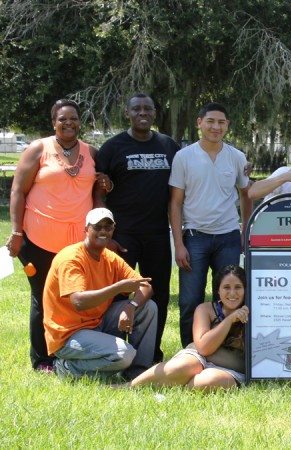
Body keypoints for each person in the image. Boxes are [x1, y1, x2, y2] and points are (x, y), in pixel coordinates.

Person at [6, 99, 110, 372]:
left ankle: (71, 352)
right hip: (38, 240)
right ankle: (42, 359)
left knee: (74, 300)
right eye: (62, 119)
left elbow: (101, 187)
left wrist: (106, 182)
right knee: (42, 298)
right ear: (53, 122)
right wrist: (16, 232)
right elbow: (18, 191)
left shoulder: (91, 152)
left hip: (77, 244)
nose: (69, 123)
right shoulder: (38, 149)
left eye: (74, 118)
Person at [96, 93, 180, 363]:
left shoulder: (169, 145)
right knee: (119, 293)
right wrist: (104, 235)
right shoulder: (113, 147)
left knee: (159, 294)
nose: (142, 112)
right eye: (137, 109)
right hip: (123, 236)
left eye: (147, 108)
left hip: (157, 233)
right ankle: (117, 352)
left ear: (154, 113)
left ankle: (151, 353)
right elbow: (97, 189)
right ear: (128, 113)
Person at [169, 102, 253, 347]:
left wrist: (244, 230)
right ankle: (190, 351)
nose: (216, 127)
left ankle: (227, 350)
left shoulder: (237, 157)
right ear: (199, 123)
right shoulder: (184, 157)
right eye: (211, 121)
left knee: (231, 298)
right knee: (189, 300)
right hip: (194, 238)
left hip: (227, 237)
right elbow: (175, 203)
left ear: (227, 125)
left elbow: (246, 194)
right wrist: (179, 243)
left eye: (221, 122)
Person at [42, 208, 157, 379]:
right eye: (97, 227)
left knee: (148, 307)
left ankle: (137, 372)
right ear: (86, 229)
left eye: (108, 227)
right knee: (124, 354)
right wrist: (117, 288)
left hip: (98, 322)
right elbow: (78, 302)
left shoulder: (109, 257)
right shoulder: (71, 258)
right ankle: (66, 368)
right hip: (67, 335)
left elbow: (146, 286)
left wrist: (131, 306)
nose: (103, 231)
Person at [130, 265, 248, 389]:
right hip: (198, 356)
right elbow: (203, 349)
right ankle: (128, 386)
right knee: (179, 367)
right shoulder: (205, 309)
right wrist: (229, 320)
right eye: (226, 287)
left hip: (229, 369)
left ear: (245, 290)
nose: (232, 293)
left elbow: (246, 364)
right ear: (218, 290)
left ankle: (178, 388)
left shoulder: (254, 314)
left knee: (207, 381)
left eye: (238, 287)